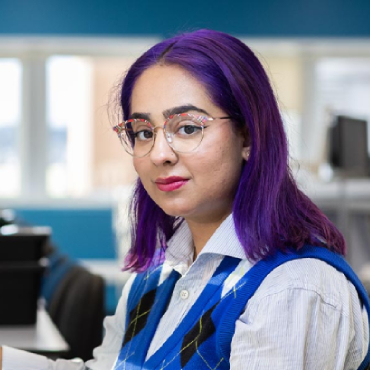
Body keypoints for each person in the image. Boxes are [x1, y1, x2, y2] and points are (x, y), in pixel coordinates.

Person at [1, 29, 369, 370]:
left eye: (188, 127)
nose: (159, 153)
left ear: (248, 136)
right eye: (143, 132)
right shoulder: (154, 280)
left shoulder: (293, 289)